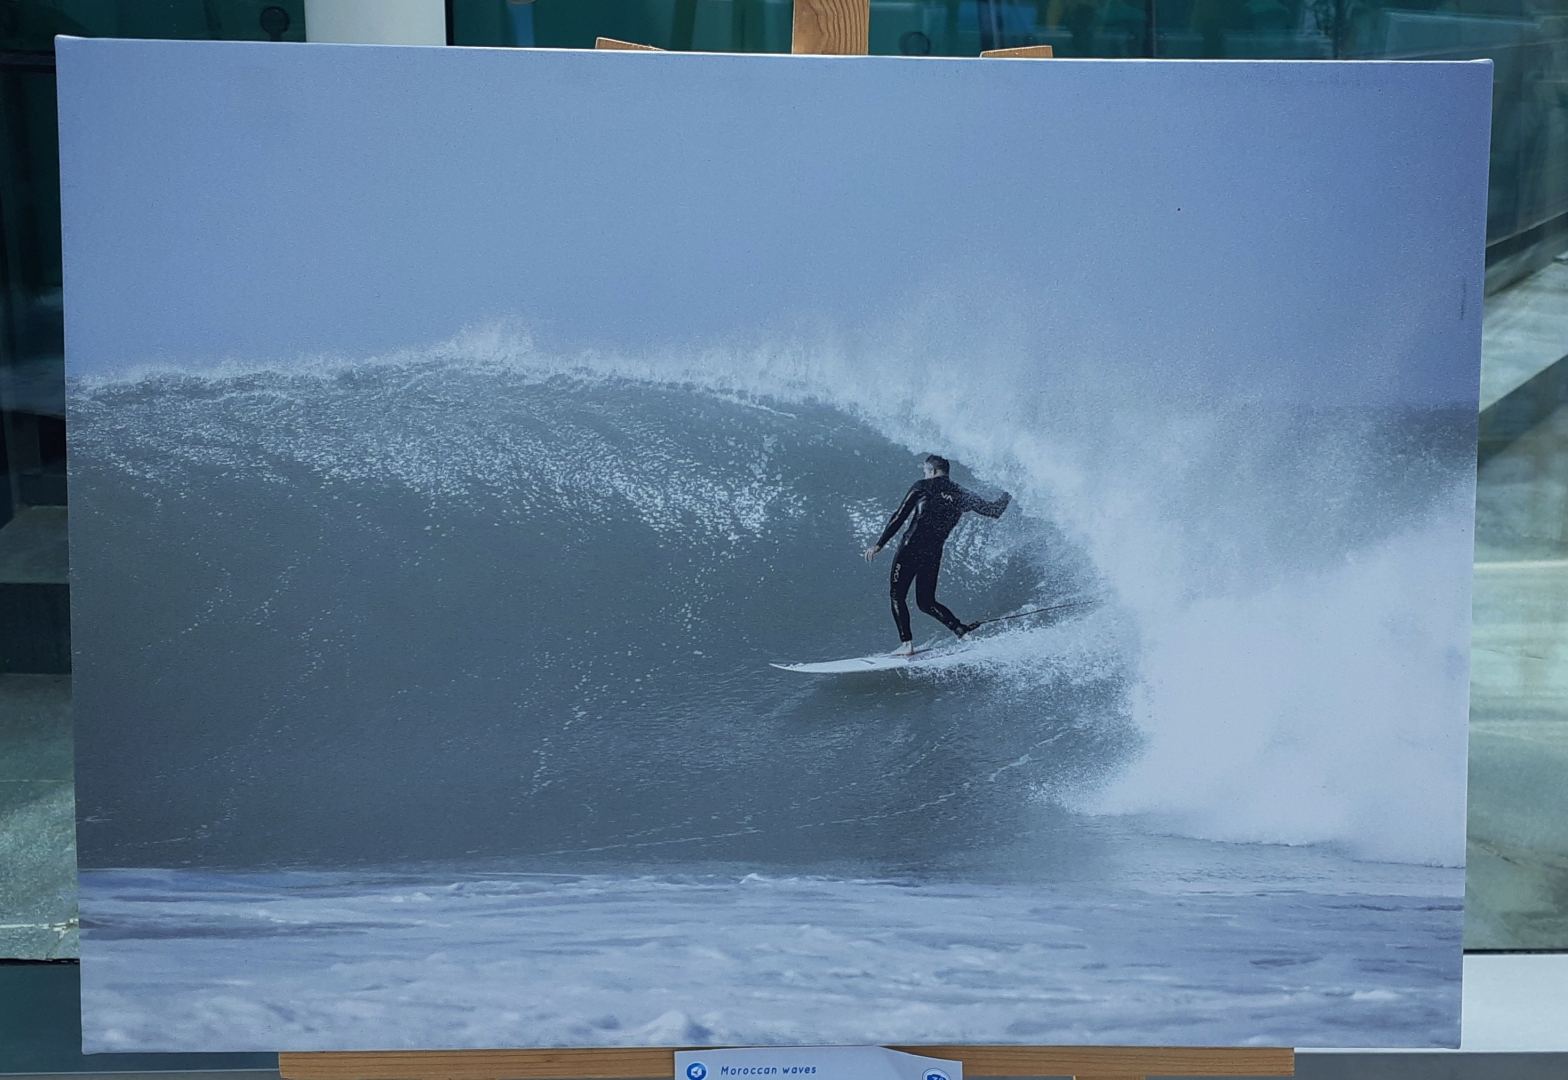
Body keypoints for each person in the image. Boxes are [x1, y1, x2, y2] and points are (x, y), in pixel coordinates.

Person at [863, 455, 1011, 656]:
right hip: (933, 552)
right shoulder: (961, 494)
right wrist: (1013, 488)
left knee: (897, 596)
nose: (925, 474)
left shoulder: (923, 486)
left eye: (925, 471)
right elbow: (994, 510)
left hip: (910, 549)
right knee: (926, 602)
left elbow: (899, 516)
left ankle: (907, 645)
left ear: (932, 471)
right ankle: (962, 632)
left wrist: (879, 544)